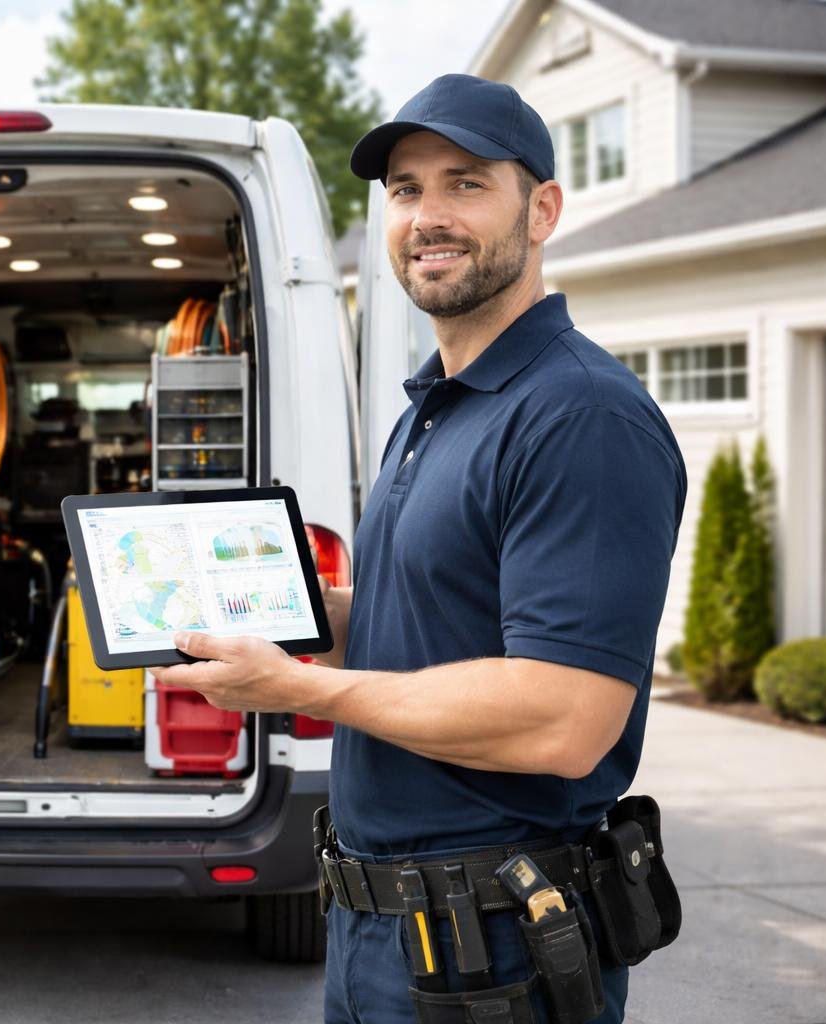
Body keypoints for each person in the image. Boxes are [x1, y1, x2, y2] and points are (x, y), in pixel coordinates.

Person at [150, 74, 686, 1024]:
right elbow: (424, 624)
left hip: (501, 953)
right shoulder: (433, 409)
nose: (427, 215)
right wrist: (276, 623)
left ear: (543, 208)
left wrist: (298, 689)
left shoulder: (580, 416)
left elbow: (566, 718)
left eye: (466, 183)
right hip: (378, 936)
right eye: (405, 189)